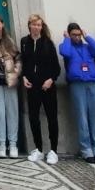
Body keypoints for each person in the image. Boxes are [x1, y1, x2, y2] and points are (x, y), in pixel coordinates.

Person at [59, 22, 95, 163]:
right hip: (77, 83)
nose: (77, 37)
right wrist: (66, 38)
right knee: (82, 117)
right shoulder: (66, 46)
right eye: (74, 35)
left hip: (91, 82)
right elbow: (65, 53)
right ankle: (86, 149)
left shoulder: (87, 47)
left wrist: (88, 37)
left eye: (79, 35)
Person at [21, 13, 60, 165]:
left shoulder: (48, 43)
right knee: (33, 118)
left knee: (51, 118)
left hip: (47, 86)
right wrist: (24, 77)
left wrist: (50, 80)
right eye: (34, 24)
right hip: (32, 87)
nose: (36, 27)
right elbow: (24, 63)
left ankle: (53, 150)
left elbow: (56, 67)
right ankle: (38, 149)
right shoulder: (24, 42)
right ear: (29, 26)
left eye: (39, 25)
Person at [0, 15, 22, 158]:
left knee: (12, 112)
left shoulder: (10, 41)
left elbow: (18, 58)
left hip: (10, 82)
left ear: (2, 25)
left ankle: (13, 143)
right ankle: (1, 143)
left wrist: (16, 73)